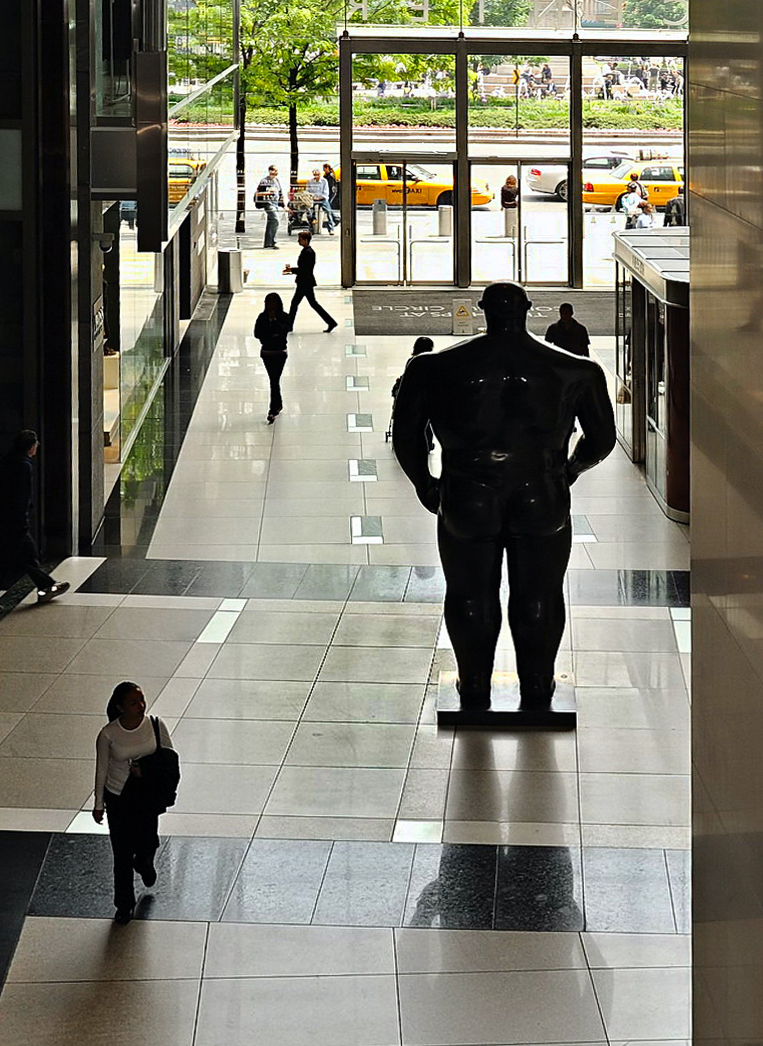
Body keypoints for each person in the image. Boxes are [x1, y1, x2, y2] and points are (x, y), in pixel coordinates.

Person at [392, 282, 615, 710]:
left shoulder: (434, 368)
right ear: (529, 310)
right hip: (541, 491)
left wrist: (425, 481)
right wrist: (568, 470)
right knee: (540, 595)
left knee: (468, 593)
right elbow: (601, 439)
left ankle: (474, 686)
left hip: (467, 492)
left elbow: (407, 435)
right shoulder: (575, 370)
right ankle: (537, 685)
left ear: (482, 311)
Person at [92, 681, 175, 925]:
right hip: (118, 797)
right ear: (120, 707)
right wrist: (99, 804)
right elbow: (102, 770)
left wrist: (147, 771)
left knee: (148, 840)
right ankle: (124, 904)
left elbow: (169, 758)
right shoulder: (108, 734)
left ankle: (145, 862)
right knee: (121, 853)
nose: (140, 706)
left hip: (146, 795)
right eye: (133, 703)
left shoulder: (156, 725)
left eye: (141, 700)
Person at [0, 430, 70, 605]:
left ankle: (46, 586)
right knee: (15, 556)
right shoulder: (24, 465)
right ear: (31, 447)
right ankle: (47, 586)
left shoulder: (8, 460)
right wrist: (22, 518)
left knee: (26, 556)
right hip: (14, 521)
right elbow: (21, 496)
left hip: (7, 519)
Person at [284, 231, 337, 333]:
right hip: (305, 281)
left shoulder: (308, 253)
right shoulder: (307, 251)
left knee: (296, 304)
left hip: (305, 282)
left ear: (305, 240)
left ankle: (289, 326)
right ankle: (331, 322)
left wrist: (291, 270)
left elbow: (305, 269)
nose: (298, 241)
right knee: (311, 304)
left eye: (300, 239)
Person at [392, 338, 435, 450]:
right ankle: (428, 444)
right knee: (426, 424)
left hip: (414, 396)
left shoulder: (412, 361)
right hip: (428, 396)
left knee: (417, 423)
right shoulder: (433, 362)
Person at [255, 292, 291, 424]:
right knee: (274, 380)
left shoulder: (284, 316)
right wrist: (272, 332)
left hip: (280, 353)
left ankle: (273, 409)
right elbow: (258, 334)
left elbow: (285, 331)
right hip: (267, 353)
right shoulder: (262, 317)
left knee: (274, 380)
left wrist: (274, 322)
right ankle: (277, 405)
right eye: (268, 302)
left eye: (273, 302)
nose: (271, 305)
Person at [255, 164, 284, 249]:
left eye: (277, 170)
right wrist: (268, 193)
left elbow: (280, 193)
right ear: (270, 171)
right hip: (268, 203)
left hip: (275, 204)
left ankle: (268, 243)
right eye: (274, 170)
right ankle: (273, 241)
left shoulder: (277, 181)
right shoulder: (264, 181)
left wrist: (284, 205)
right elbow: (258, 193)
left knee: (271, 222)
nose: (276, 172)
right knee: (275, 220)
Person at [305, 168, 336, 235]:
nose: (316, 176)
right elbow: (308, 191)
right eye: (315, 175)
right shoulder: (310, 182)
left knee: (328, 211)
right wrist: (312, 198)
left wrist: (319, 198)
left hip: (322, 199)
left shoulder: (324, 181)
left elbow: (326, 192)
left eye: (317, 175)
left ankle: (331, 229)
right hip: (313, 199)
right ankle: (311, 227)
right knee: (309, 211)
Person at [501, 174, 519, 239]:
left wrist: (502, 205)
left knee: (507, 219)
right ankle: (513, 232)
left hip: (506, 204)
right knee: (514, 220)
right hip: (513, 204)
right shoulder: (515, 189)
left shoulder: (503, 188)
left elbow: (502, 197)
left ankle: (508, 233)